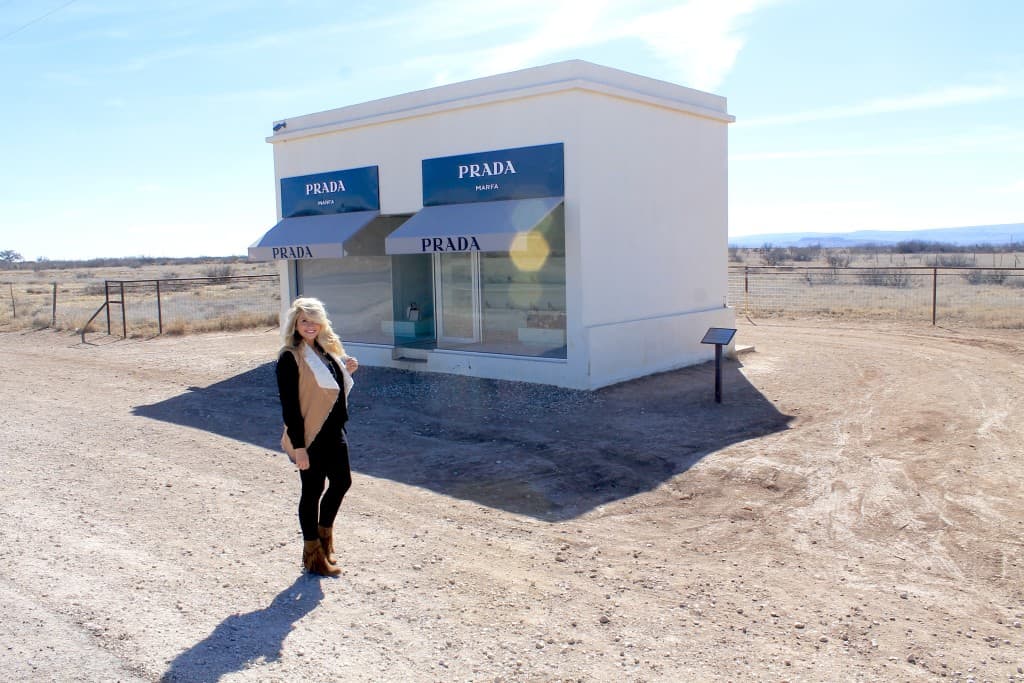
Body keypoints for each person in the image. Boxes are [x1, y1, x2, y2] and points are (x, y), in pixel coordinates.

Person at [276, 297, 358, 576]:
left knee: (342, 482)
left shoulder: (326, 350)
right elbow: (291, 407)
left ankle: (325, 541)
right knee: (312, 492)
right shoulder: (290, 356)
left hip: (335, 431)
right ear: (295, 324)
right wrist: (299, 448)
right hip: (310, 437)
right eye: (303, 321)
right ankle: (313, 556)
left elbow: (327, 390)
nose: (310, 326)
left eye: (314, 320)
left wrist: (345, 370)